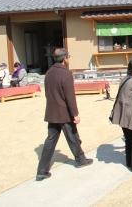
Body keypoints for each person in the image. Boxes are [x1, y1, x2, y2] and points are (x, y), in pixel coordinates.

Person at [36, 48, 93, 181]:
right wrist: (75, 113)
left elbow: (47, 94)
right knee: (72, 136)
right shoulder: (66, 74)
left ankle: (42, 170)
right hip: (64, 112)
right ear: (65, 58)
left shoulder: (49, 72)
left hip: (52, 111)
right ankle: (80, 160)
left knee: (50, 140)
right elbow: (70, 97)